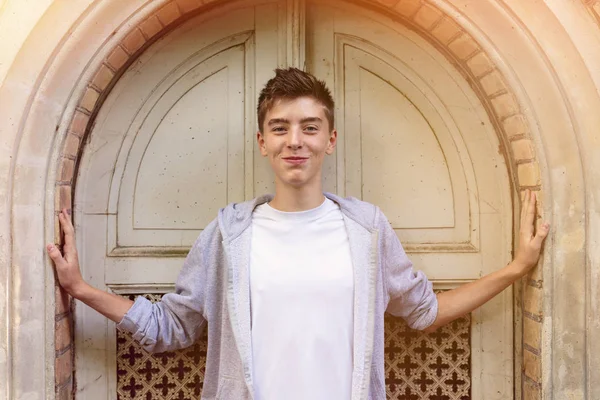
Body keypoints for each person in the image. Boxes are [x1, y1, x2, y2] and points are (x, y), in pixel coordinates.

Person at [47, 68, 550, 400]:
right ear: (262, 141)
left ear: (329, 140)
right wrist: (79, 288)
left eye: (310, 127)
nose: (295, 141)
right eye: (281, 127)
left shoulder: (367, 230)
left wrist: (517, 269)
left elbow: (423, 311)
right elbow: (170, 328)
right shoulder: (228, 234)